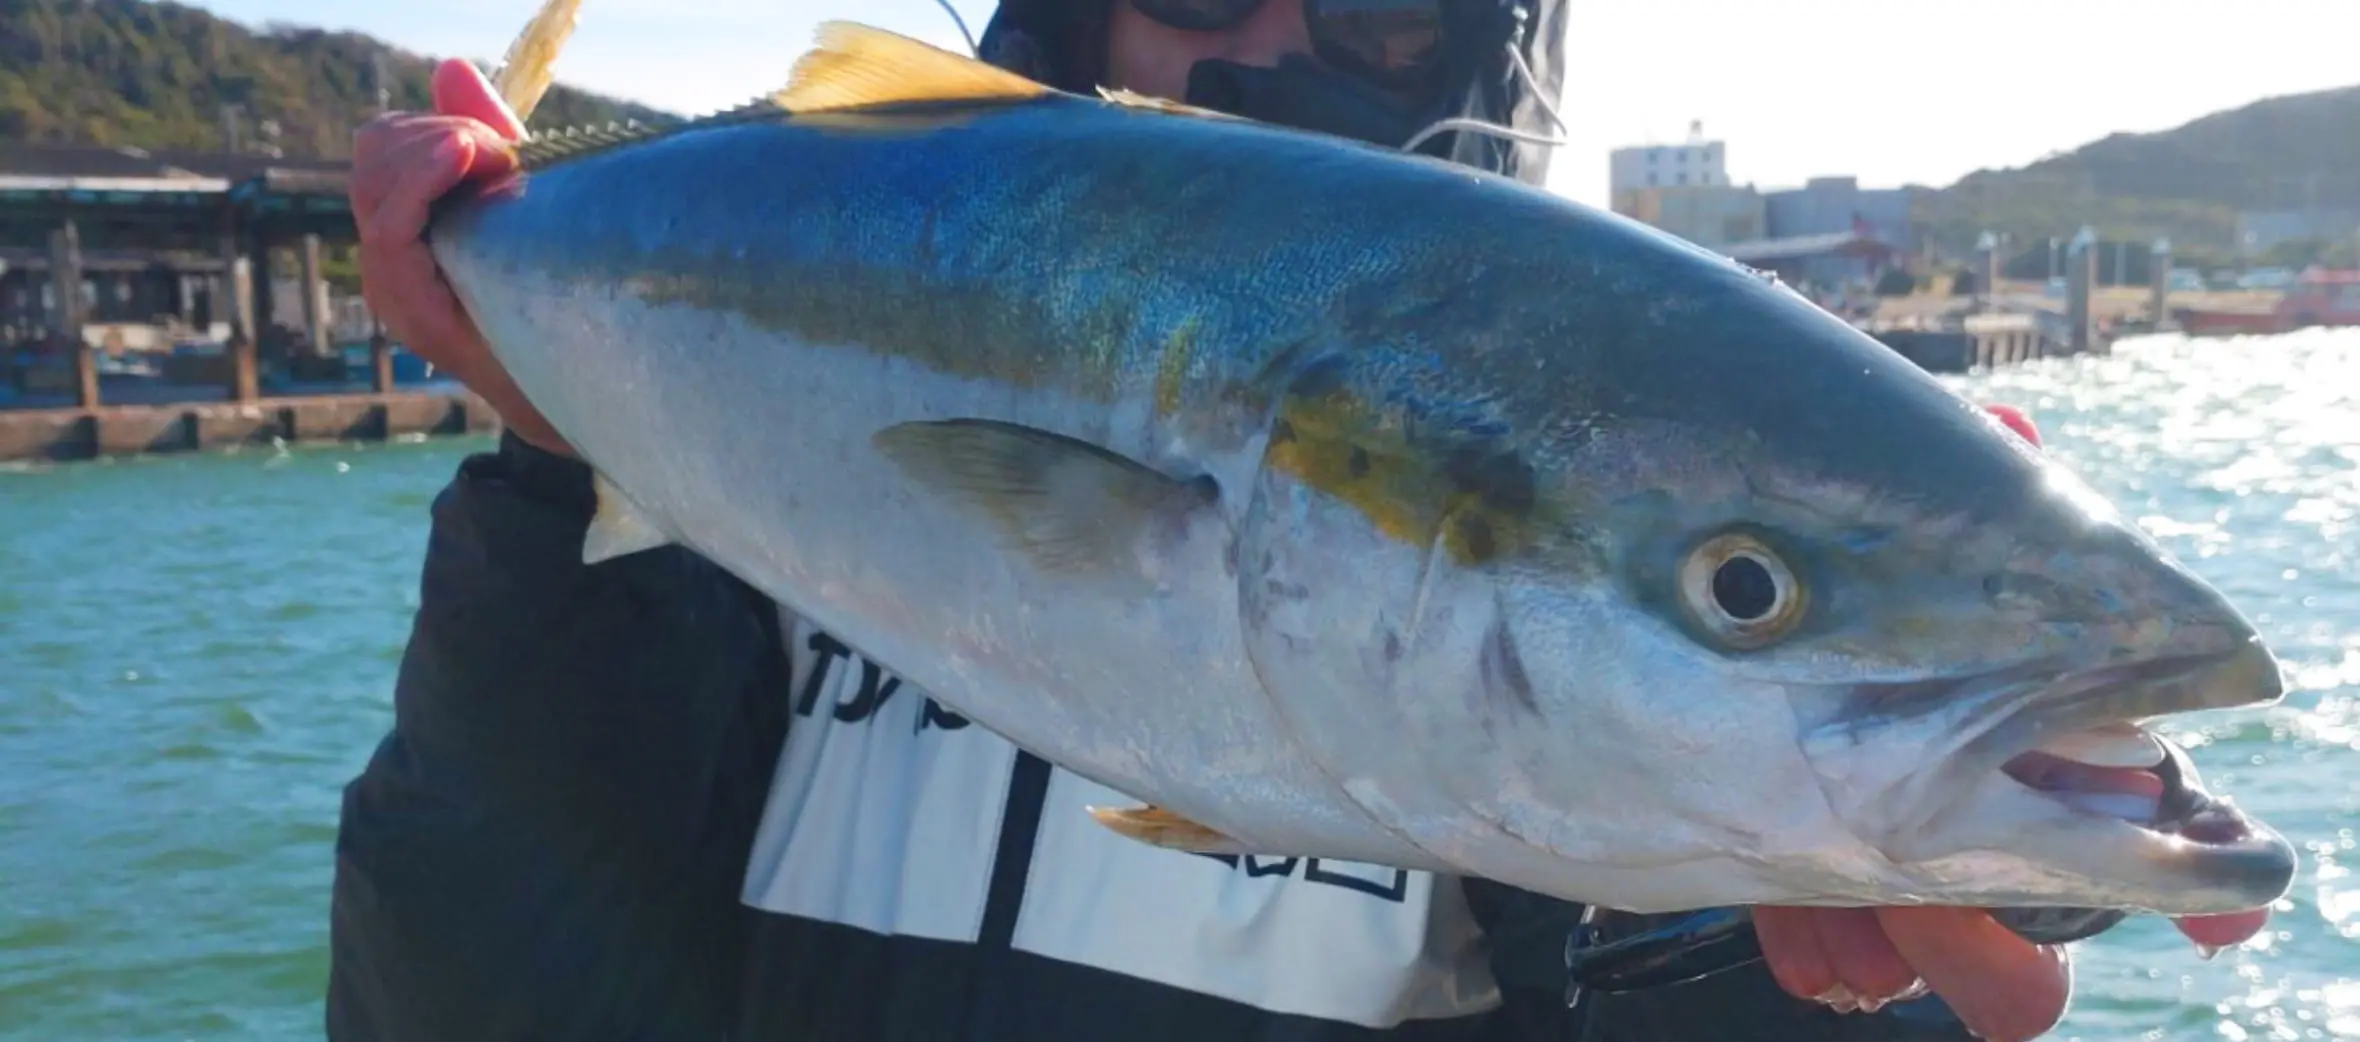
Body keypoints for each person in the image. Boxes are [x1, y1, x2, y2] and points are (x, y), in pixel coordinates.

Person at [330, 2, 2264, 1040]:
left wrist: (1776, 937)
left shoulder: (1548, 712)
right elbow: (469, 993)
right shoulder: (719, 558)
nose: (1265, 45)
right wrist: (554, 462)